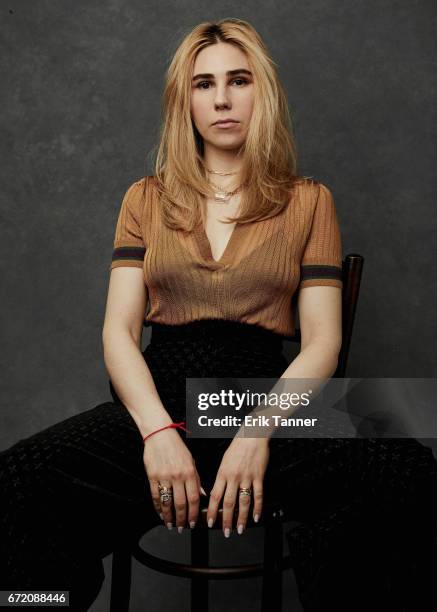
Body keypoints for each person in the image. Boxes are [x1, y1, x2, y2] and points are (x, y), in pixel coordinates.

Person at [1, 17, 437, 612]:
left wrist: (257, 433)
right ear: (185, 101)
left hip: (266, 398)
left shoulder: (310, 200)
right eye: (203, 84)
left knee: (408, 467)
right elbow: (119, 332)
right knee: (17, 481)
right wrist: (157, 434)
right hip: (163, 399)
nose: (223, 98)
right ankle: (39, 606)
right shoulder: (145, 198)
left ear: (264, 92)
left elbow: (322, 344)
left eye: (239, 79)